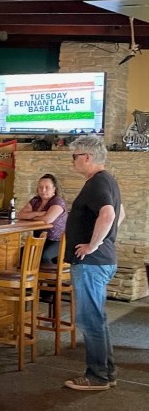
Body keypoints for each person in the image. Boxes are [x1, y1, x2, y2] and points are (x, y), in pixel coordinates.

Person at [63, 135, 124, 392]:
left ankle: (97, 375)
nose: (72, 161)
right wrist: (105, 239)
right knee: (96, 317)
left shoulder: (97, 182)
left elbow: (109, 214)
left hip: (92, 262)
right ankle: (106, 371)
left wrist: (94, 245)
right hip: (100, 261)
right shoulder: (106, 180)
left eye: (74, 156)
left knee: (89, 319)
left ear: (87, 157)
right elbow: (121, 213)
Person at [17, 173, 68, 263]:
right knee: (19, 254)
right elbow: (20, 215)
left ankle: (49, 277)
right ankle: (30, 276)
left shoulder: (58, 201)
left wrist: (31, 216)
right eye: (40, 187)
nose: (43, 190)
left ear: (54, 189)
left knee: (44, 256)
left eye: (47, 187)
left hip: (57, 241)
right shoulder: (35, 201)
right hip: (39, 240)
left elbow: (48, 219)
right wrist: (38, 213)